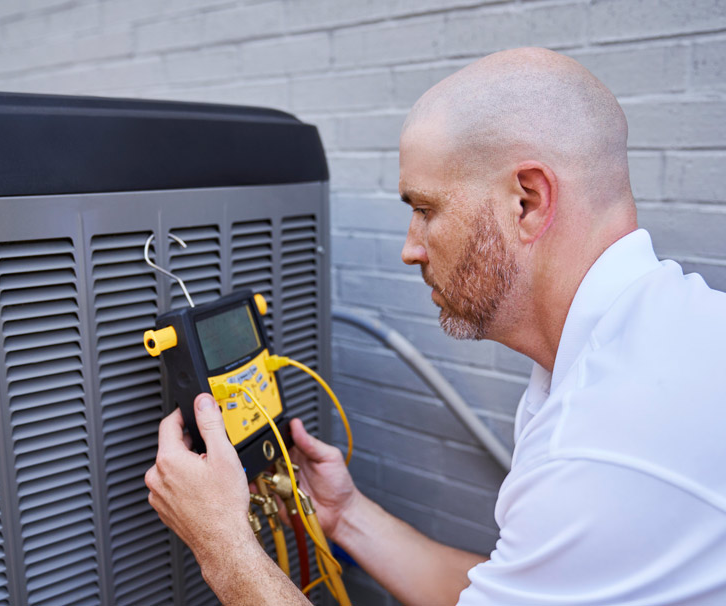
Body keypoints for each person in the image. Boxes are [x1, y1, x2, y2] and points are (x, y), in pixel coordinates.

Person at [144, 47, 726, 605]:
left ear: (527, 201)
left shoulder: (603, 446)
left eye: (425, 210)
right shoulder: (654, 339)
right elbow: (515, 589)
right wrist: (346, 514)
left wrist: (221, 545)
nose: (410, 249)